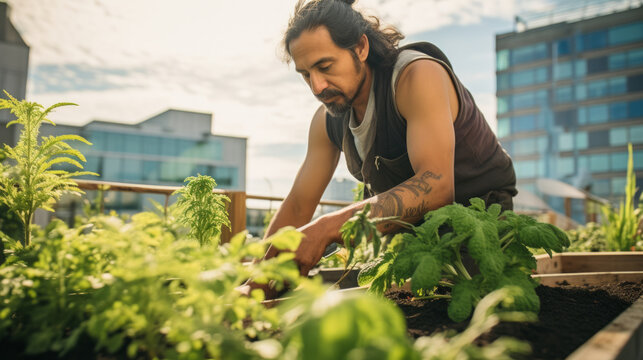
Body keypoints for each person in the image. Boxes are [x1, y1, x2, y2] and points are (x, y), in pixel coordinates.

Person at [245, 0, 516, 297]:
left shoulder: (416, 76)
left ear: (361, 47)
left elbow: (436, 188)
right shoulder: (328, 120)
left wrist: (326, 228)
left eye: (325, 66)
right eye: (306, 74)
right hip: (414, 240)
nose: (317, 87)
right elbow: (298, 205)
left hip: (480, 229)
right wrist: (256, 283)